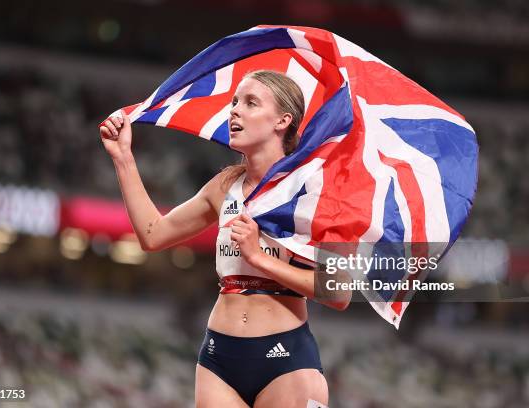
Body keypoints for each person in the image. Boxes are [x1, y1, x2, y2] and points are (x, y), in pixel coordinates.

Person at [100, 70, 351, 407]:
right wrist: (124, 160)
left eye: (250, 103)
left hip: (288, 360)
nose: (234, 111)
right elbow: (152, 234)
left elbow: (338, 291)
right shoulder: (225, 186)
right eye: (234, 102)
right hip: (219, 357)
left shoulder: (313, 190)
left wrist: (259, 257)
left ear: (282, 120)